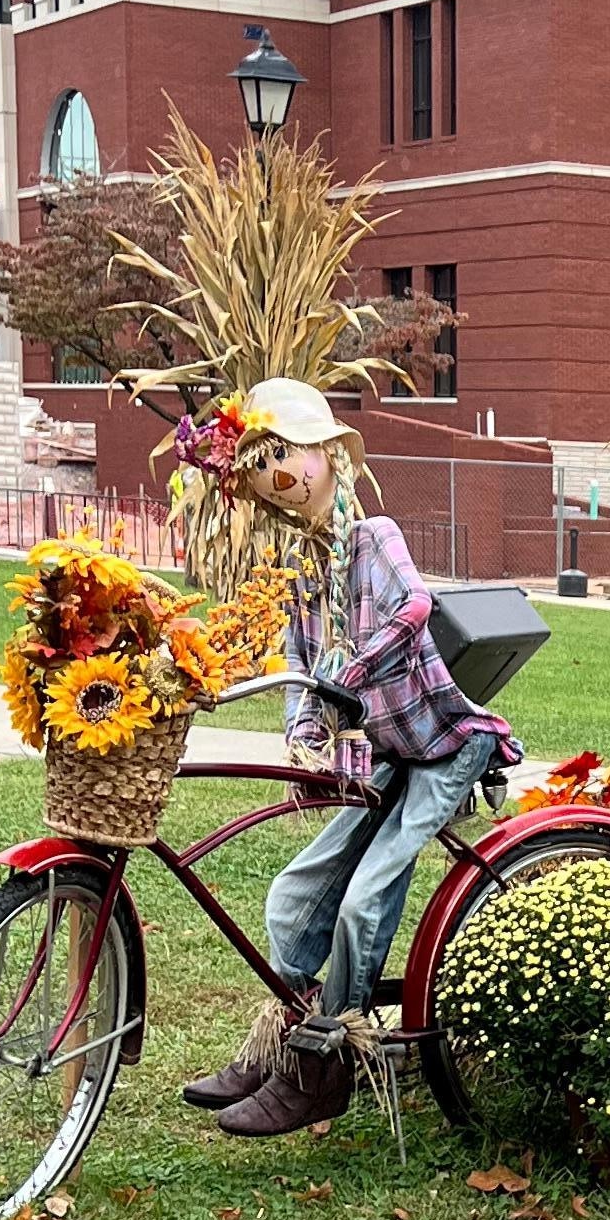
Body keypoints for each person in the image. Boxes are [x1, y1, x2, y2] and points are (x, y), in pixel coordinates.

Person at [181, 380, 521, 1137]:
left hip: (445, 742)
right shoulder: (305, 568)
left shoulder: (375, 537)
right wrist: (307, 723)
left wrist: (349, 679)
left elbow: (413, 608)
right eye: (259, 465)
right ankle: (279, 1041)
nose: (274, 478)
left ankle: (325, 1064)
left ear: (328, 458)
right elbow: (304, 659)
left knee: (367, 899)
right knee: (299, 889)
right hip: (394, 749)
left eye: (284, 456)